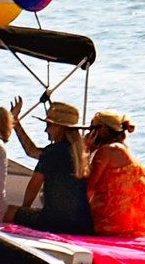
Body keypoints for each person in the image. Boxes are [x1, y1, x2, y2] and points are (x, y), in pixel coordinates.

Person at [5, 99, 92, 234]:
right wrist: (16, 122)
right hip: (83, 224)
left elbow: (34, 184)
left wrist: (24, 210)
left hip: (55, 223)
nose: (46, 130)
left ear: (60, 127)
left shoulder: (53, 152)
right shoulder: (80, 153)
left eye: (49, 125)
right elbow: (31, 151)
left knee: (8, 211)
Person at [84, 111, 145, 238]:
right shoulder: (124, 151)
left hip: (111, 225)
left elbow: (87, 187)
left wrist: (87, 150)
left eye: (92, 127)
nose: (89, 132)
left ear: (103, 129)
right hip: (135, 225)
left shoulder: (106, 151)